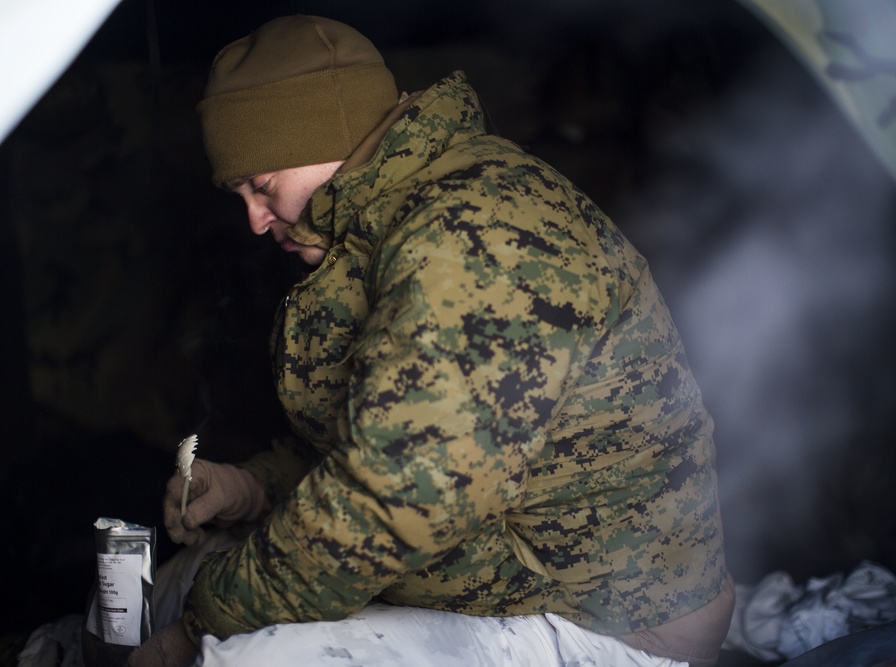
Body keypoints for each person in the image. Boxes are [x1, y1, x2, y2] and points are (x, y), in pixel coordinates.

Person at [127, 14, 734, 667]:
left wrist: (198, 632)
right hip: (517, 565)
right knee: (173, 587)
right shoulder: (396, 214)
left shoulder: (471, 232)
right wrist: (253, 486)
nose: (253, 218)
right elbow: (389, 445)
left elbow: (397, 497)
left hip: (616, 625)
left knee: (230, 656)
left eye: (262, 184)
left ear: (324, 133)